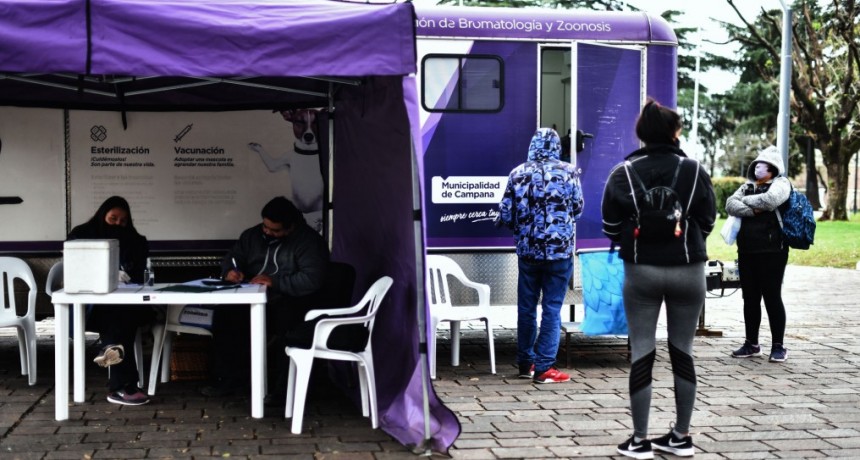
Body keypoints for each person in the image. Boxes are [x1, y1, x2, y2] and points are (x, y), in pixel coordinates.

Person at [601, 99, 716, 458]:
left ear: (642, 134)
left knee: (642, 353)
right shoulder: (695, 170)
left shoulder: (622, 172)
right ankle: (681, 436)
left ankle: (639, 440)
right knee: (683, 352)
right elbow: (709, 219)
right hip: (688, 271)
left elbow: (609, 225)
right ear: (674, 132)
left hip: (642, 272)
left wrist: (636, 234)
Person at [202, 196, 330, 397]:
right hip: (252, 300)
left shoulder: (309, 242)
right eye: (266, 227)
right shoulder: (251, 236)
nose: (268, 232)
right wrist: (230, 271)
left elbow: (311, 279)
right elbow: (233, 258)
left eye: (275, 230)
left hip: (289, 301)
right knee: (225, 316)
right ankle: (228, 381)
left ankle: (281, 390)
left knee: (288, 324)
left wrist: (276, 282)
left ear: (291, 227)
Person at [496, 127, 584, 384]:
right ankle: (545, 368)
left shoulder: (517, 173)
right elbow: (577, 209)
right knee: (552, 308)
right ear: (557, 147)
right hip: (559, 254)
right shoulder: (569, 172)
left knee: (526, 308)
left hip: (528, 252)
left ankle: (526, 363)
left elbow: (506, 215)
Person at [67, 195, 154, 406]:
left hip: (125, 304)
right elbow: (74, 269)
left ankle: (114, 364)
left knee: (121, 316)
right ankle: (124, 386)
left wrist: (125, 275)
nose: (117, 224)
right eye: (113, 218)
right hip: (90, 307)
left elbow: (140, 274)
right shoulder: (81, 235)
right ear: (102, 214)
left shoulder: (136, 240)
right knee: (119, 318)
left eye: (122, 221)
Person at [725, 145, 791, 363]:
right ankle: (751, 343)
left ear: (773, 168)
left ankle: (778, 346)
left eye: (762, 166)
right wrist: (754, 209)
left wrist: (747, 203)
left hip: (773, 250)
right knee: (750, 298)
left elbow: (771, 200)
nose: (758, 169)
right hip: (746, 250)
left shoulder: (781, 184)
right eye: (756, 165)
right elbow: (729, 204)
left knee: (772, 297)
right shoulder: (747, 186)